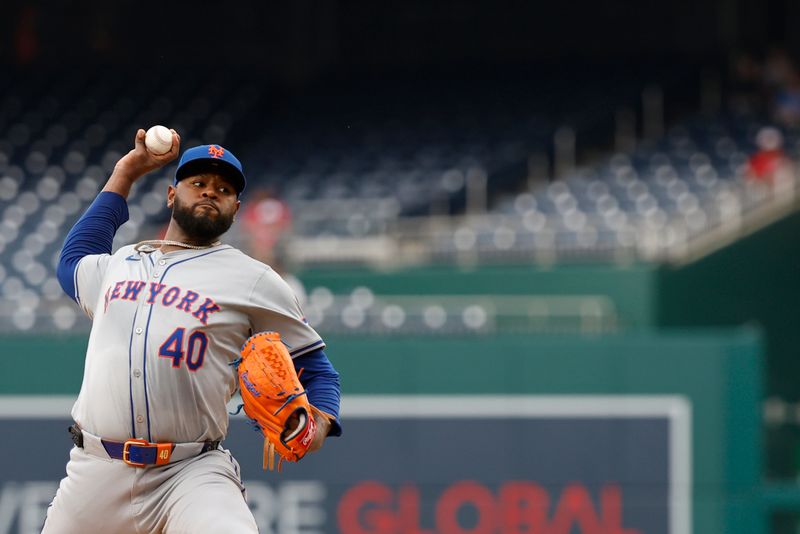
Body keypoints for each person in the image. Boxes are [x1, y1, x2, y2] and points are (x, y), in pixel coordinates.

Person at [45, 129, 342, 533]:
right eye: (198, 183)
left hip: (190, 471)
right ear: (171, 195)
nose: (209, 192)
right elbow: (72, 262)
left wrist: (320, 422)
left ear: (236, 208)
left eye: (222, 188)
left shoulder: (255, 279)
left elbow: (317, 368)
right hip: (95, 470)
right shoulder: (123, 262)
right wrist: (125, 174)